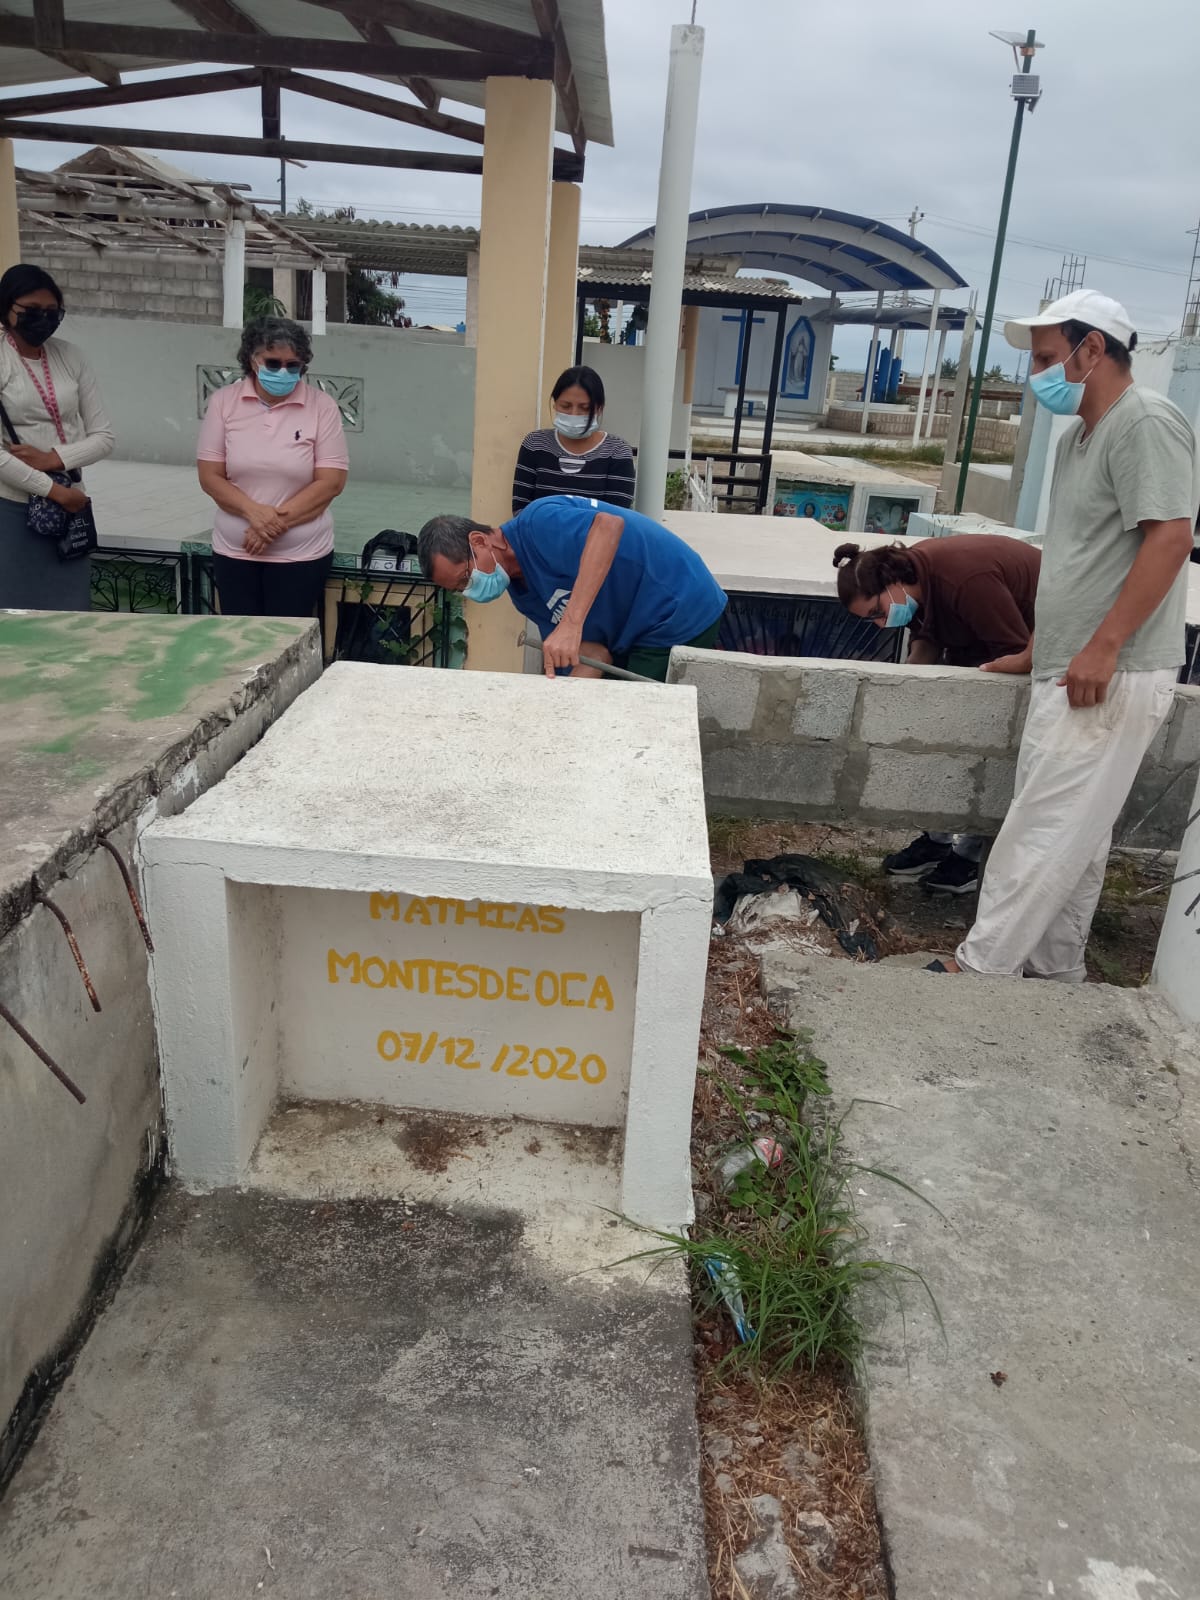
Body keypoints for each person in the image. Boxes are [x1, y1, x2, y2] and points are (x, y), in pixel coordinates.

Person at [931, 289, 1197, 979]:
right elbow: (1079, 558)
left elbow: (1171, 538)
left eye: (1047, 358)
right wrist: (1036, 649)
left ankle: (979, 971)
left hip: (1112, 670)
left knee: (1041, 831)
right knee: (1075, 841)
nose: (1036, 374)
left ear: (1093, 349)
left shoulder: (1145, 422)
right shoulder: (1078, 439)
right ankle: (1056, 980)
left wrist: (1104, 646)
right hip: (1073, 664)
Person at [834, 533, 1042, 894]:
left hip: (1026, 648)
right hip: (980, 644)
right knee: (937, 722)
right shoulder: (914, 577)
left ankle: (971, 856)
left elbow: (1018, 659)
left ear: (892, 583)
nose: (881, 624)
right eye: (871, 620)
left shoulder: (966, 580)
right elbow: (926, 639)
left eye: (878, 613)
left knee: (987, 740)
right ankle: (937, 840)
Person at [418, 493, 727, 680]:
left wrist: (571, 623)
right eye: (460, 589)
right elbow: (594, 654)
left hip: (676, 605)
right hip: (633, 630)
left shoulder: (538, 524)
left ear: (479, 541)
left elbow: (608, 526)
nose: (470, 590)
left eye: (465, 577)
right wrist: (562, 709)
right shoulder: (524, 594)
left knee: (635, 719)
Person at [197, 315, 348, 618]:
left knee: (287, 639)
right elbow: (210, 476)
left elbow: (331, 482)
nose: (283, 371)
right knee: (240, 639)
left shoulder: (322, 407)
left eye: (292, 365)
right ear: (253, 360)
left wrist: (269, 526)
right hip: (235, 553)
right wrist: (253, 513)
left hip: (301, 556)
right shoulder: (223, 403)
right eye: (273, 363)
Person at [0, 263, 114, 610]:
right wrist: (53, 491)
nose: (43, 319)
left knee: (70, 611)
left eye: (52, 311)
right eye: (32, 310)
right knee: (15, 613)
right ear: (7, 307)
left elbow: (104, 437)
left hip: (71, 504)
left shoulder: (70, 356)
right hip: (12, 505)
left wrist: (54, 459)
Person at [511, 366, 634, 514]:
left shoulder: (617, 451)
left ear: (600, 408)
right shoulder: (535, 444)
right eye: (566, 406)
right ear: (555, 404)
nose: (574, 414)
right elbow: (521, 509)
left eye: (584, 408)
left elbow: (617, 516)